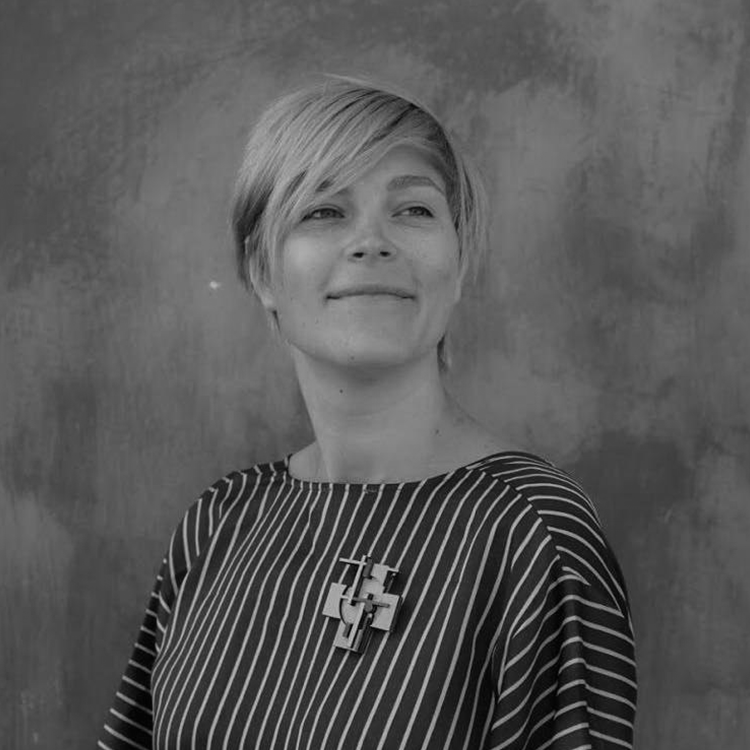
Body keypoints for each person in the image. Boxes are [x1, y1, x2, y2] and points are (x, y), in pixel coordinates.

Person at [98, 76, 637, 750]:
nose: (371, 242)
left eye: (412, 210)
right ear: (262, 271)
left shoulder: (533, 535)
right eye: (323, 211)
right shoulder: (219, 526)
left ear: (460, 257)